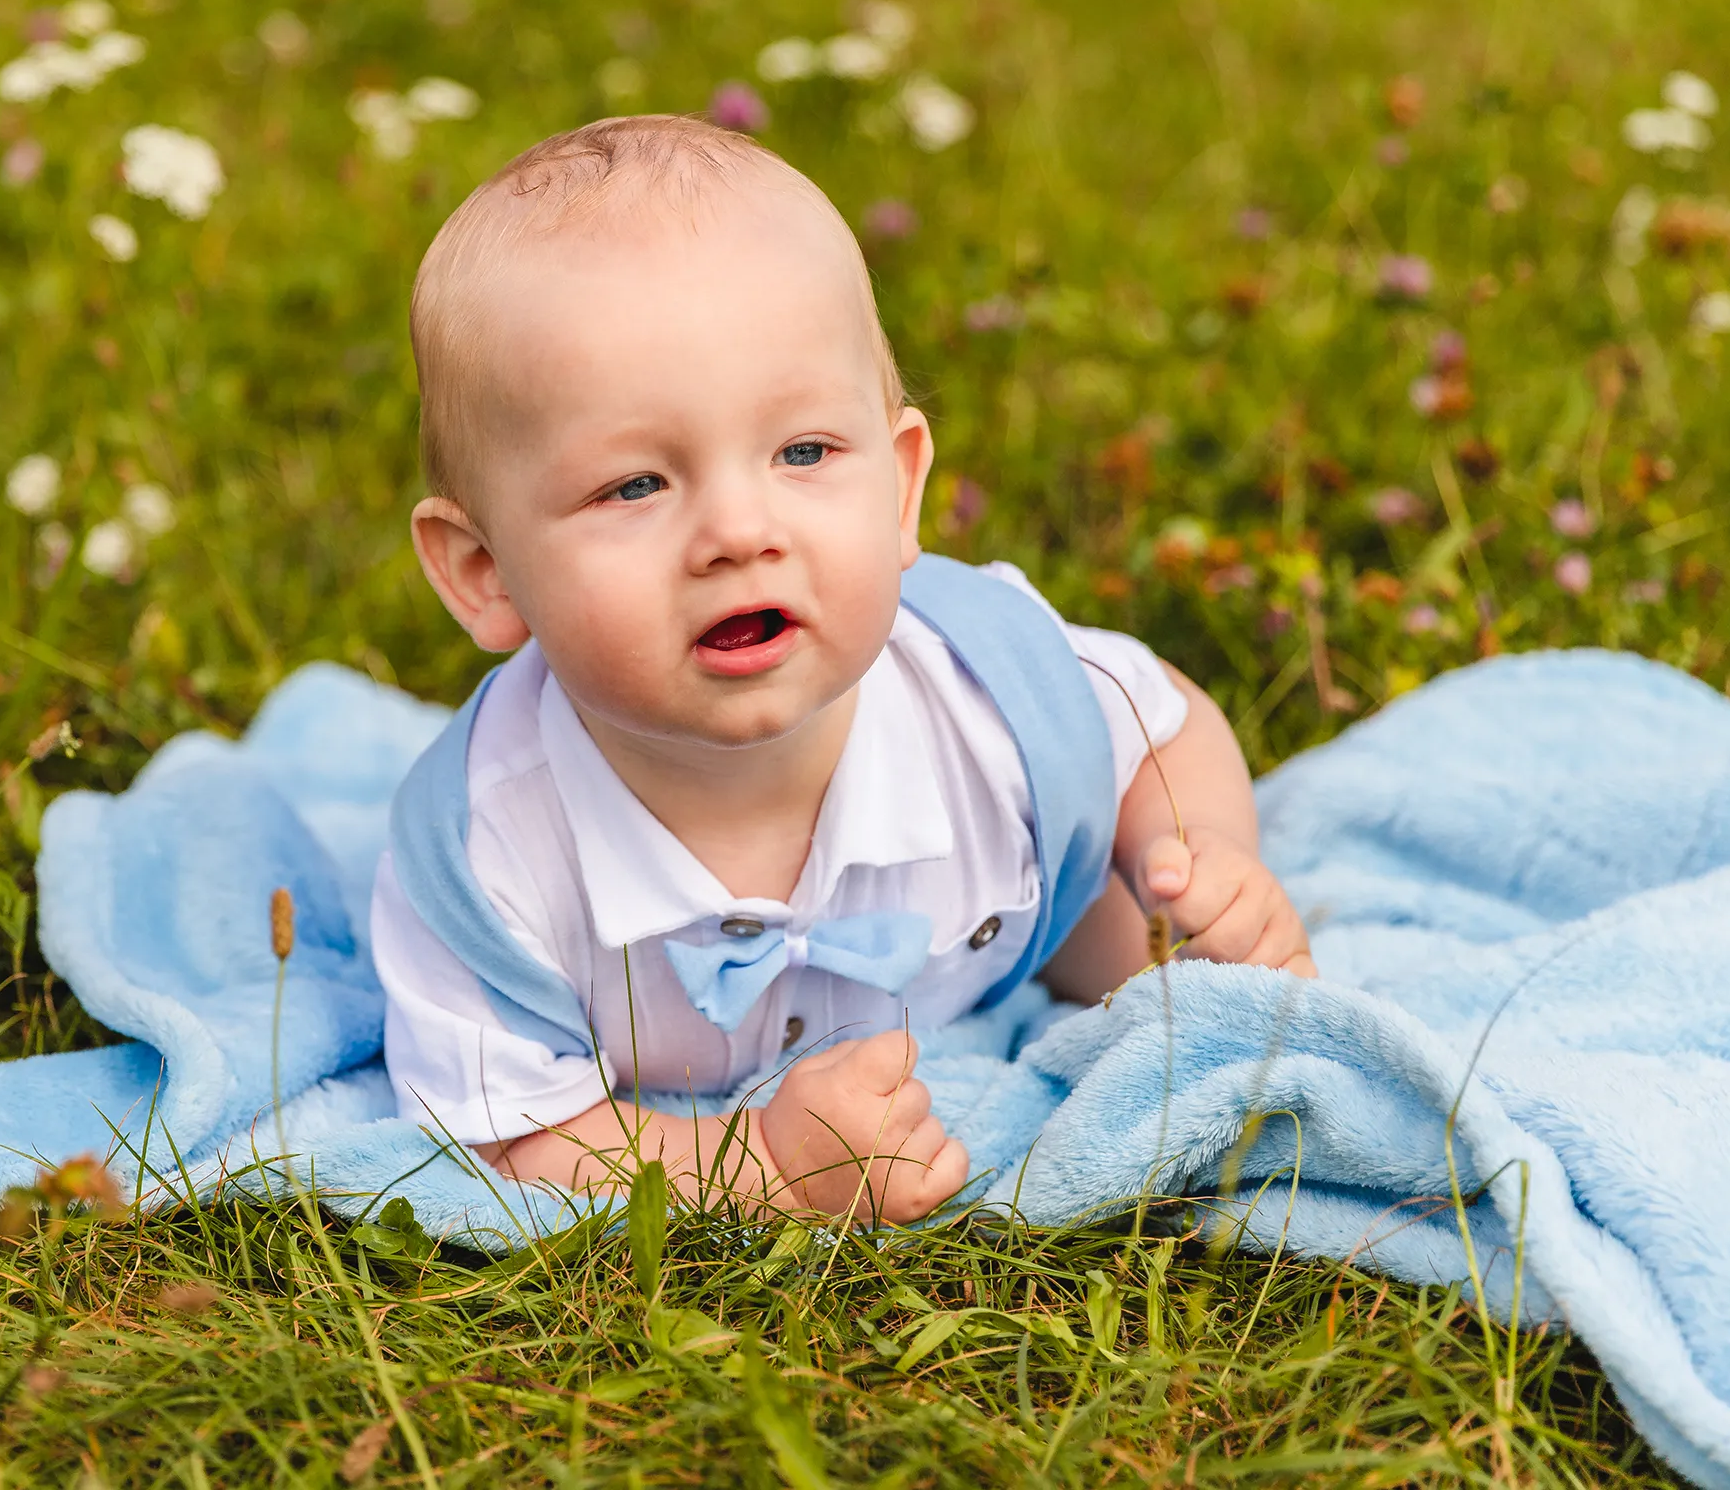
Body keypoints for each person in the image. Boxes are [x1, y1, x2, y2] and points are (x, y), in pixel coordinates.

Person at [372, 114, 1313, 1226]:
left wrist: (1192, 847)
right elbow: (522, 1131)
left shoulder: (993, 699)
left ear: (902, 487)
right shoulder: (483, 862)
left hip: (999, 946)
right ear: (484, 571)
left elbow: (1158, 719)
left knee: (1141, 944)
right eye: (633, 486)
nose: (737, 529)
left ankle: (1158, 941)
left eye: (803, 452)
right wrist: (754, 1163)